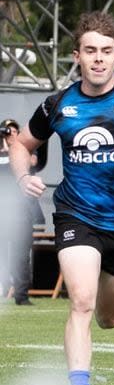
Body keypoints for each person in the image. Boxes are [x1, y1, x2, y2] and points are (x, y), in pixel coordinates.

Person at [9, 11, 114, 385]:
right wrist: (23, 175)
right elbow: (22, 144)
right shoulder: (58, 105)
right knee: (82, 302)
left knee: (109, 318)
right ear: (77, 56)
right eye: (90, 51)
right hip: (75, 214)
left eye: (106, 52)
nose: (98, 59)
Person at [1, 118, 36, 305]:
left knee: (21, 255)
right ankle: (3, 289)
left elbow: (31, 162)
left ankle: (21, 295)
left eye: (12, 131)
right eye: (5, 132)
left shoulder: (24, 151)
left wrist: (15, 145)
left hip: (20, 211)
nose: (8, 135)